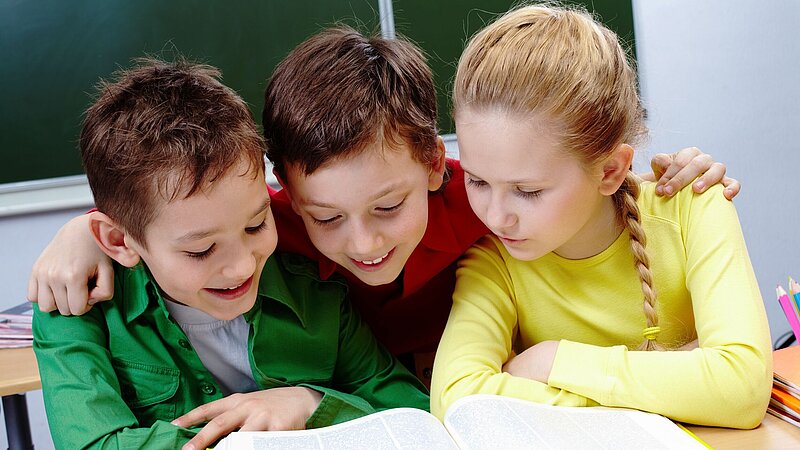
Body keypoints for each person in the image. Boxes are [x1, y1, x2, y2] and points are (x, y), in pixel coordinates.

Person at [28, 27, 738, 386]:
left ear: (434, 164)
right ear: (286, 191)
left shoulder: (483, 202)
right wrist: (78, 234)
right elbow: (166, 212)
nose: (361, 241)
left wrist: (673, 174)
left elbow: (563, 177)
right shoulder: (263, 231)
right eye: (325, 218)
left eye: (389, 207)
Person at [32, 58, 429, 450]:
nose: (241, 266)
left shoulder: (313, 288)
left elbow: (411, 409)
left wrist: (310, 403)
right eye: (201, 249)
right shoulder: (74, 307)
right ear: (119, 242)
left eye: (257, 224)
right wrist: (252, 436)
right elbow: (92, 445)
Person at [430, 5, 771, 429]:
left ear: (610, 170)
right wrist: (687, 382)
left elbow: (742, 389)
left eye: (528, 191)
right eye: (478, 182)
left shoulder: (694, 204)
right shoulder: (494, 259)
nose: (496, 217)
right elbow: (456, 400)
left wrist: (554, 360)